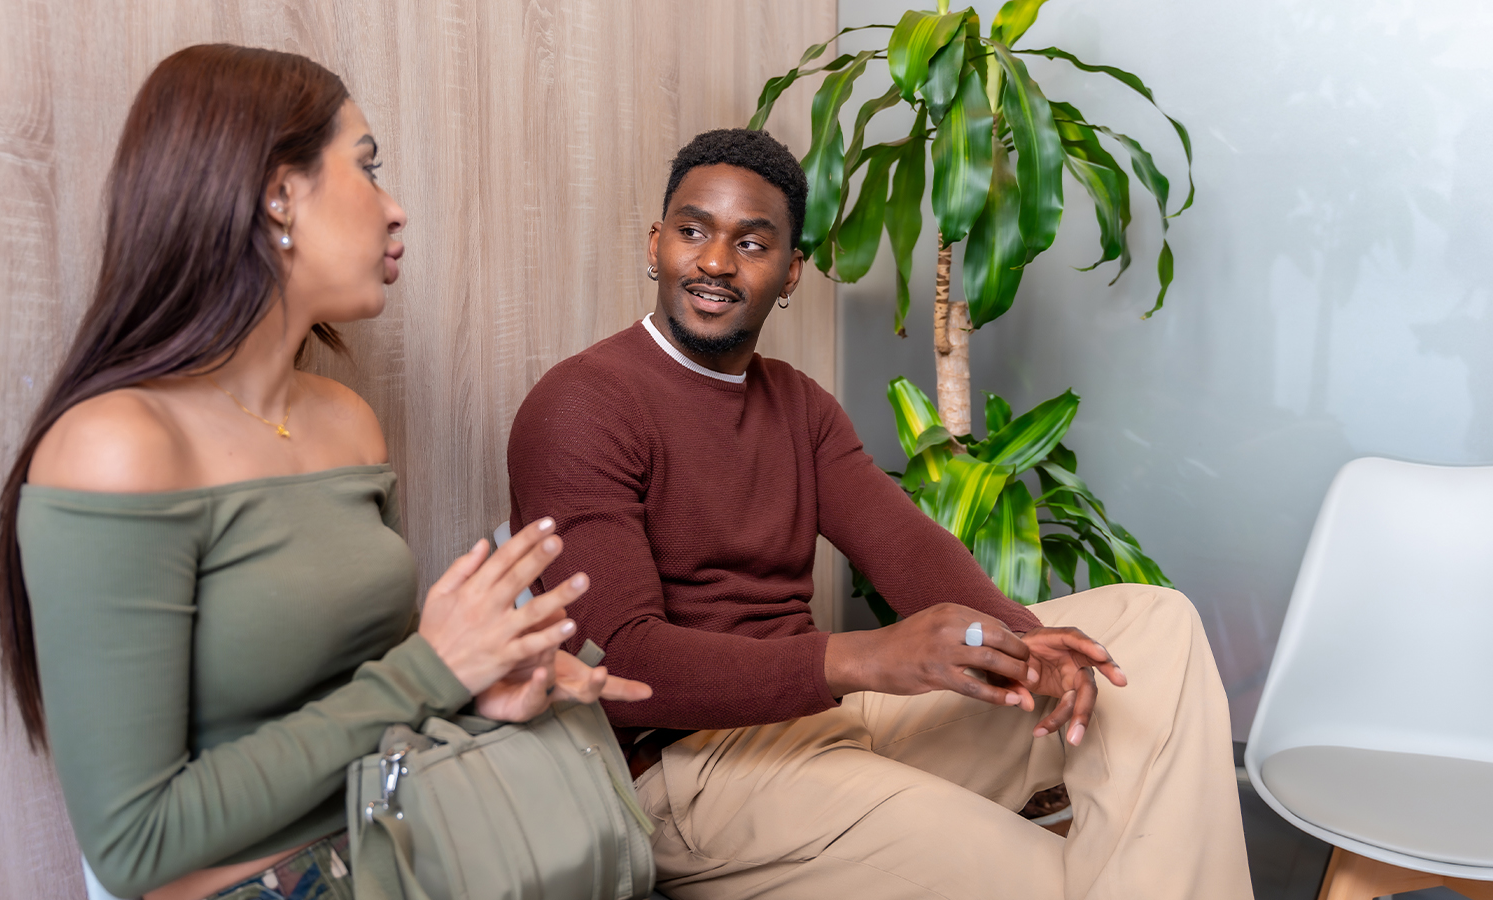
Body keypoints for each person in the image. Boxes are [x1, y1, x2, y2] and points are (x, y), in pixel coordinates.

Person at [506, 128, 1252, 900]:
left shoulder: (797, 403)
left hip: (826, 718)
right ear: (656, 242)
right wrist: (862, 658)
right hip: (694, 774)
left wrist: (1025, 642)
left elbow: (904, 544)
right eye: (693, 232)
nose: (716, 263)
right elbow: (622, 663)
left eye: (752, 243)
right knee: (1060, 882)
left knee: (1154, 626)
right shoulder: (581, 405)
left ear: (790, 272)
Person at [0, 45, 648, 900]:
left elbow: (360, 698)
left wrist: (479, 683)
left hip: (402, 850)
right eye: (367, 168)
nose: (396, 208)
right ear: (278, 193)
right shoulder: (117, 447)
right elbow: (133, 843)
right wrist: (433, 671)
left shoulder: (347, 425)